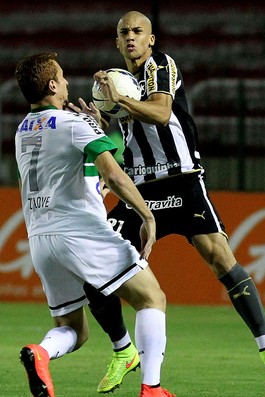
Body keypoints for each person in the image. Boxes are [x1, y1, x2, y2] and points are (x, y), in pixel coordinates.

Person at [70, 10, 265, 394]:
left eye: (138, 31)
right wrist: (100, 119)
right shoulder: (116, 82)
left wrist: (121, 100)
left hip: (183, 179)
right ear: (116, 41)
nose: (131, 37)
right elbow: (127, 126)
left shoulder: (161, 65)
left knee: (220, 258)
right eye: (124, 32)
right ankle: (123, 350)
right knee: (95, 265)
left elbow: (159, 113)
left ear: (151, 39)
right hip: (141, 188)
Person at [15, 52, 176, 397]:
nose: (69, 82)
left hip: (41, 239)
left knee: (74, 329)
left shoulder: (22, 130)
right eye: (62, 76)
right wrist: (146, 213)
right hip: (79, 231)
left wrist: (93, 128)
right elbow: (112, 172)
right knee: (151, 298)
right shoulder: (74, 124)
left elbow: (70, 167)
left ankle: (40, 353)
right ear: (53, 84)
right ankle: (152, 388)